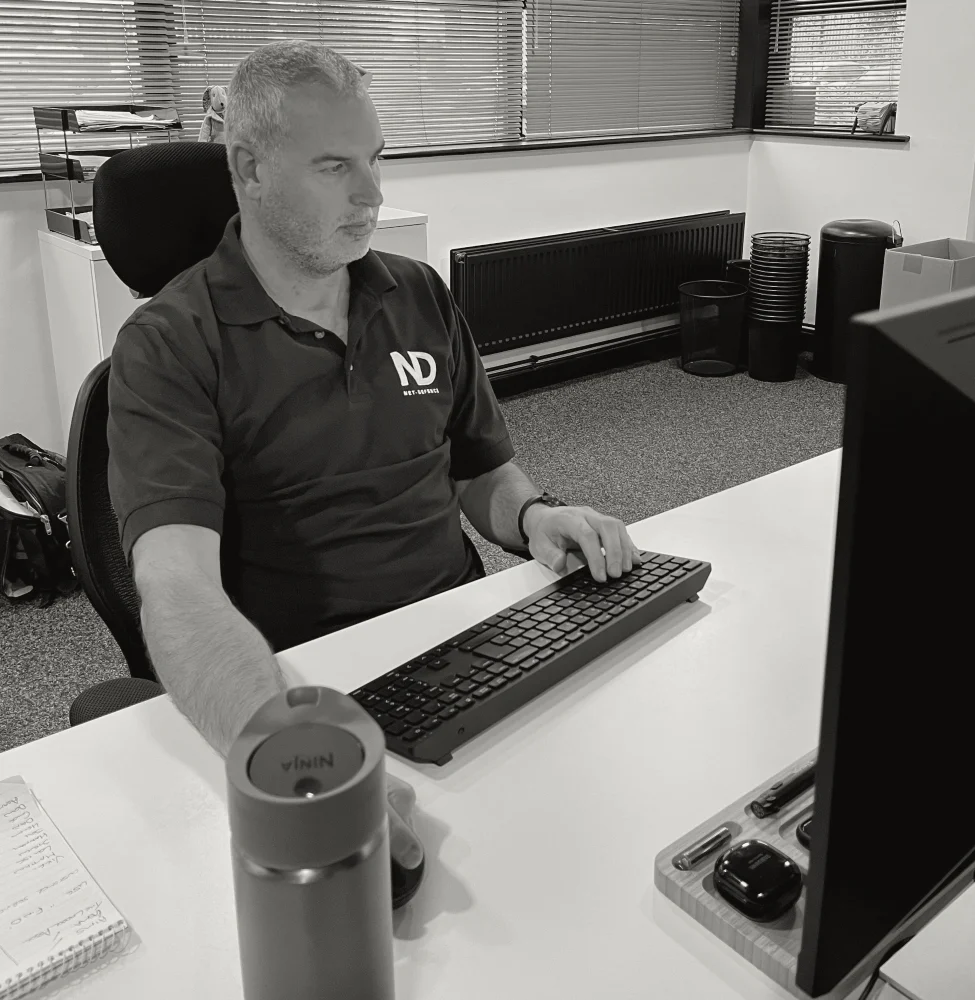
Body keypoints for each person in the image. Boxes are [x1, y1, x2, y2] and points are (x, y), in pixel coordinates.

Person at [107, 40, 642, 880]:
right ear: (250, 170)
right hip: (309, 683)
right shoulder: (171, 344)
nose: (373, 194)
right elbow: (176, 588)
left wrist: (538, 516)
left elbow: (478, 470)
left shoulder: (418, 292)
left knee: (592, 826)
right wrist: (296, 756)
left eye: (376, 160)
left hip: (464, 641)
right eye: (334, 168)